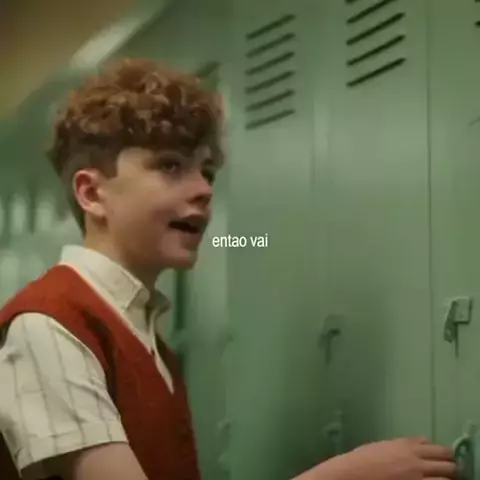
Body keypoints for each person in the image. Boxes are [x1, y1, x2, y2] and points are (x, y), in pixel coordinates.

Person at [0, 59, 457, 480]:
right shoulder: (49, 328)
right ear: (91, 194)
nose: (203, 189)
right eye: (170, 166)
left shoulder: (141, 334)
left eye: (208, 172)